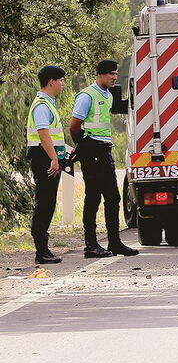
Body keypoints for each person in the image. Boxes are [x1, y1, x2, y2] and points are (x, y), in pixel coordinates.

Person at [70, 60, 138, 258]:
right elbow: (74, 125)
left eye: (116, 74)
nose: (115, 77)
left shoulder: (108, 95)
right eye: (111, 74)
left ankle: (114, 243)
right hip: (92, 149)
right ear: (100, 75)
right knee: (93, 197)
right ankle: (91, 245)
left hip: (104, 149)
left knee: (112, 198)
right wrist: (83, 146)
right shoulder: (87, 95)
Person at [26, 66, 68, 264]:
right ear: (51, 82)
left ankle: (43, 250)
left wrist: (64, 153)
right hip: (44, 159)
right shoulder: (42, 106)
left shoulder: (48, 104)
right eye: (61, 80)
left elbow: (53, 136)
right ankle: (41, 251)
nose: (63, 84)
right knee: (44, 203)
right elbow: (43, 135)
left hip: (47, 157)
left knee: (48, 202)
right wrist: (54, 158)